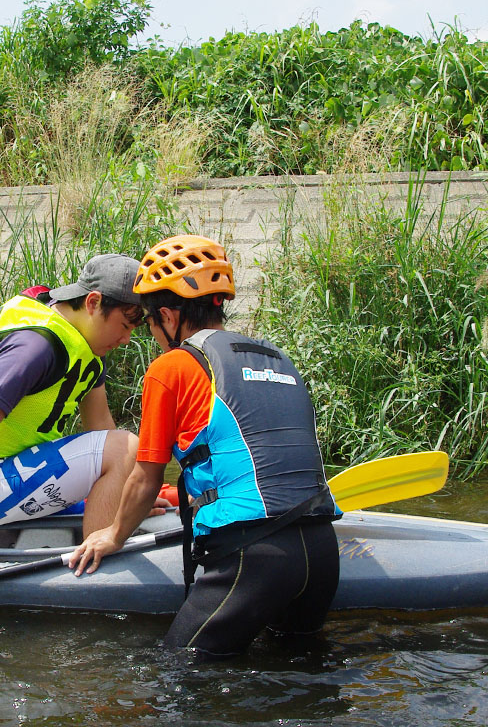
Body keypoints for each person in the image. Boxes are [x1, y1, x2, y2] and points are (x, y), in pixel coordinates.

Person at [69, 235, 341, 657]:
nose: (153, 335)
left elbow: (146, 477)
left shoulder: (173, 365)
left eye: (150, 322)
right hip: (323, 550)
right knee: (299, 672)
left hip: (254, 555)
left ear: (166, 315)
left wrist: (114, 535)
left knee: (179, 675)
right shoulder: (278, 358)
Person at [0, 254, 147, 576]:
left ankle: (101, 537)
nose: (126, 339)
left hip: (8, 471)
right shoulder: (35, 348)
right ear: (93, 302)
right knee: (127, 447)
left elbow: (101, 427)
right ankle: (94, 569)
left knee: (122, 450)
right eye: (124, 325)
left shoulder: (84, 344)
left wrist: (125, 493)